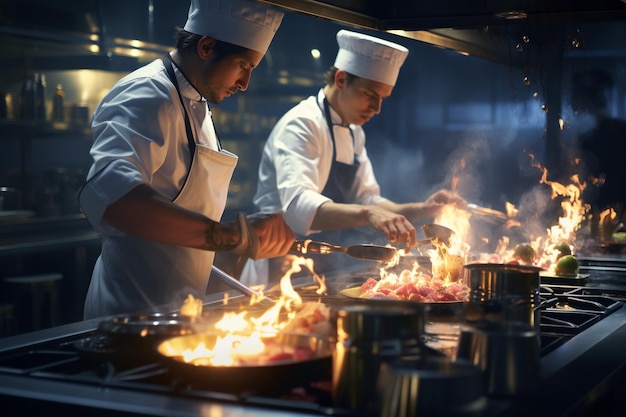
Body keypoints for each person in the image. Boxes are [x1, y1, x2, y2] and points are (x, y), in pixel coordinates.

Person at [78, 0, 294, 319]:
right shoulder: (146, 94)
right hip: (128, 319)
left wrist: (243, 239)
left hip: (179, 316)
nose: (245, 84)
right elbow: (115, 201)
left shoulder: (198, 104)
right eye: (243, 66)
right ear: (206, 47)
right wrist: (231, 236)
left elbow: (187, 224)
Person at [246, 29, 465, 284]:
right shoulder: (301, 125)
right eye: (370, 95)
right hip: (280, 266)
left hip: (324, 267)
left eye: (382, 98)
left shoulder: (354, 132)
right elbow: (297, 207)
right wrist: (367, 213)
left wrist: (425, 209)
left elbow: (367, 199)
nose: (377, 108)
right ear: (341, 79)